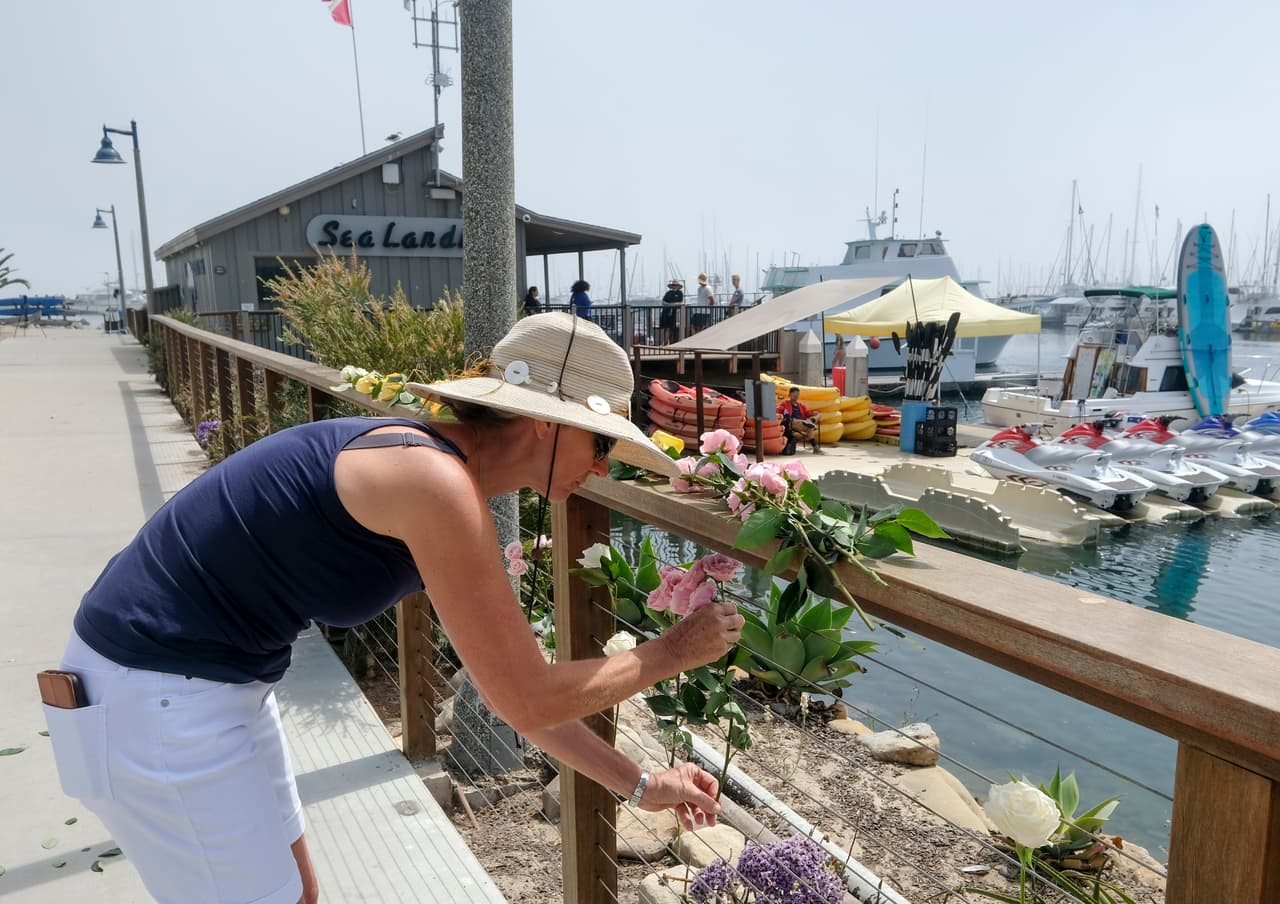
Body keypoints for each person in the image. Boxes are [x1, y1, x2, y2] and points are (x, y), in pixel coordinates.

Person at [44, 312, 743, 904]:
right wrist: (673, 651)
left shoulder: (435, 467)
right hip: (154, 697)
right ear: (544, 425)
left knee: (298, 893)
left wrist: (642, 782)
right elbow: (527, 698)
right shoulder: (433, 482)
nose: (603, 467)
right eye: (601, 443)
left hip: (205, 687)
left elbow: (511, 695)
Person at [777, 386, 821, 455]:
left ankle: (811, 421)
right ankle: (815, 447)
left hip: (802, 423)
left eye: (797, 393)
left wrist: (815, 414)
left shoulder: (801, 406)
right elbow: (778, 411)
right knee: (809, 426)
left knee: (818, 416)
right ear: (790, 395)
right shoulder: (785, 404)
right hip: (792, 422)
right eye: (794, 393)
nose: (796, 395)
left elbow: (807, 413)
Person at [659, 278, 684, 344]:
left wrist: (670, 304)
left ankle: (671, 342)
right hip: (666, 312)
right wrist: (671, 305)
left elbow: (680, 303)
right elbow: (663, 302)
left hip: (674, 313)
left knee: (672, 328)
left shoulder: (680, 293)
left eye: (676, 285)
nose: (674, 286)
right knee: (666, 327)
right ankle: (665, 342)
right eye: (673, 285)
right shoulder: (668, 293)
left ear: (678, 286)